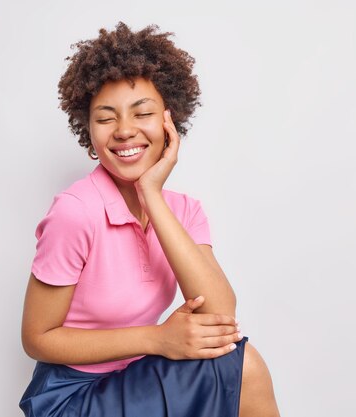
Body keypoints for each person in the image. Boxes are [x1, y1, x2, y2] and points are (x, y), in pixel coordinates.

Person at [19, 22, 281, 417]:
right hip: (71, 395)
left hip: (134, 374)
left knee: (241, 363)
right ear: (88, 129)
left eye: (142, 113)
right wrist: (157, 339)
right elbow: (37, 338)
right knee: (246, 370)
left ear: (168, 122)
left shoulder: (184, 210)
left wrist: (152, 195)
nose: (125, 131)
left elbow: (220, 315)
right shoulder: (75, 211)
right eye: (106, 118)